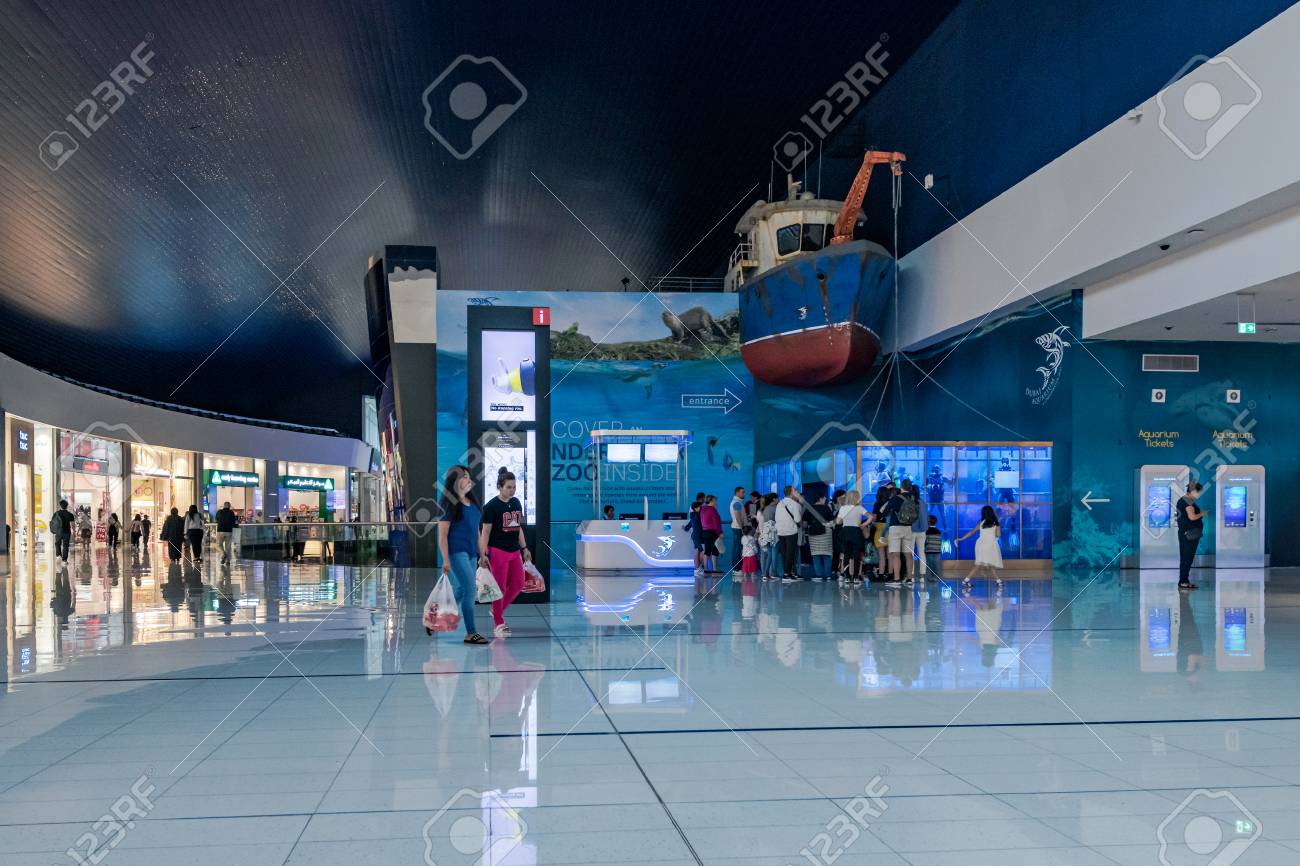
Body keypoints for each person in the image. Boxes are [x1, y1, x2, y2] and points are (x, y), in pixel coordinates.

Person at [437, 465, 489, 644]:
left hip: (471, 554)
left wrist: (482, 554)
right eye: (465, 477)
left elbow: (477, 532)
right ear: (455, 481)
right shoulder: (448, 505)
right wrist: (445, 559)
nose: (469, 480)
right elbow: (442, 535)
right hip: (456, 553)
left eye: (469, 476)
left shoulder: (473, 503)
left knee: (461, 589)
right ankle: (470, 632)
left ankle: (438, 617)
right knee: (470, 590)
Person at [479, 467, 530, 638]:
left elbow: (518, 527)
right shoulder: (491, 507)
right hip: (497, 551)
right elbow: (485, 532)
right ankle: (498, 623)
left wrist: (524, 548)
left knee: (518, 583)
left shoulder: (516, 503)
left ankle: (497, 610)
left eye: (514, 487)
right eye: (508, 487)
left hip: (514, 550)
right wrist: (482, 554)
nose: (512, 490)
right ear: (500, 486)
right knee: (499, 587)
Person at [958, 505, 1004, 585]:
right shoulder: (996, 522)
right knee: (987, 563)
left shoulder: (981, 522)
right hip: (991, 544)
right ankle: (966, 580)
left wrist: (961, 539)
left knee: (982, 563)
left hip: (981, 544)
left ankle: (998, 581)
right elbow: (998, 535)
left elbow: (971, 532)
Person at [1176, 482, 1206, 590]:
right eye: (1198, 492)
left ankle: (1184, 580)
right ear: (1193, 491)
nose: (1199, 495)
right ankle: (1183, 581)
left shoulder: (1183, 500)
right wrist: (1202, 514)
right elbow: (1192, 517)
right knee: (1187, 558)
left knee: (1186, 557)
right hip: (1189, 534)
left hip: (1186, 533)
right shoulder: (1187, 501)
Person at [836, 490, 868, 582]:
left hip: (845, 532)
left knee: (846, 555)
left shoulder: (843, 508)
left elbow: (838, 521)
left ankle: (846, 577)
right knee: (856, 555)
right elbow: (871, 517)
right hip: (856, 532)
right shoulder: (859, 508)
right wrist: (864, 524)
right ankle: (856, 577)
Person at [775, 486, 803, 581]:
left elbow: (776, 518)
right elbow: (798, 519)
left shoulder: (779, 503)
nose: (797, 492)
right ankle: (787, 574)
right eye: (795, 491)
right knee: (791, 553)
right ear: (791, 493)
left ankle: (788, 572)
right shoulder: (795, 504)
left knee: (784, 553)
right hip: (791, 531)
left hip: (780, 532)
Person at [805, 491, 834, 580]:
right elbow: (831, 521)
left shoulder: (809, 508)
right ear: (820, 498)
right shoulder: (826, 508)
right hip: (826, 533)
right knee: (827, 554)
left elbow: (805, 522)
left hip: (813, 534)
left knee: (815, 555)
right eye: (824, 498)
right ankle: (828, 575)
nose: (825, 499)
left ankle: (818, 575)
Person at [698, 495, 723, 575]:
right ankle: (714, 569)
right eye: (715, 500)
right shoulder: (712, 509)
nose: (716, 502)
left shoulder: (702, 509)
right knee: (714, 550)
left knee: (707, 550)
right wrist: (720, 533)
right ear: (711, 501)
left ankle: (706, 569)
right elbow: (716, 523)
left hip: (705, 532)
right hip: (713, 532)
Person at [758, 493, 779, 580]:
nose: (779, 500)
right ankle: (772, 573)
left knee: (768, 554)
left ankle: (765, 573)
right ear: (773, 499)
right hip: (773, 532)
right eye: (777, 498)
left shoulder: (764, 509)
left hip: (765, 533)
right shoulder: (775, 508)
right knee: (773, 553)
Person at [49, 499, 74, 565]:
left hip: (58, 532)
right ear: (67, 506)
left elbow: (53, 522)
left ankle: (58, 555)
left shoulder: (56, 513)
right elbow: (72, 521)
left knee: (57, 544)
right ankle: (64, 560)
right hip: (67, 532)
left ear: (60, 506)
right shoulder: (69, 514)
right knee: (65, 546)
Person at [684, 497, 705, 575]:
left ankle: (697, 568)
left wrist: (685, 528)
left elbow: (689, 525)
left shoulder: (692, 515)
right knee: (702, 551)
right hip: (698, 535)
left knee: (697, 550)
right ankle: (698, 567)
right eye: (700, 507)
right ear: (696, 508)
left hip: (696, 535)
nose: (701, 508)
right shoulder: (698, 515)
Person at [729, 486, 746, 571]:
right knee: (737, 548)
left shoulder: (738, 502)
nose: (744, 493)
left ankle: (736, 567)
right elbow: (737, 515)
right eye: (742, 492)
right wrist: (742, 527)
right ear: (737, 493)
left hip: (737, 527)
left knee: (737, 547)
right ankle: (737, 568)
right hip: (738, 528)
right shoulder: (737, 503)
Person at [923, 515, 943, 581]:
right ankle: (935, 577)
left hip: (929, 550)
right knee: (936, 564)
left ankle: (930, 577)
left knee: (930, 564)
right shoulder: (939, 532)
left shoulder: (927, 532)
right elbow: (940, 542)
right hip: (937, 551)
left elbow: (925, 541)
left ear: (928, 522)